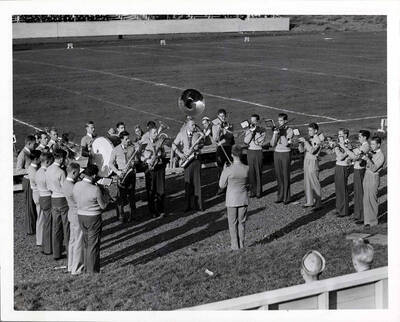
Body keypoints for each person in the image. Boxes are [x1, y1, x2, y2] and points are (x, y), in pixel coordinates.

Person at [73, 164, 110, 273]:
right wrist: (106, 195)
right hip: (93, 217)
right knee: (93, 245)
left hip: (81, 215)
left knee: (86, 243)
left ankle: (86, 267)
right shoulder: (95, 189)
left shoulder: (76, 185)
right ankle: (92, 271)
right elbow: (103, 206)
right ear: (93, 175)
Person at [219, 145, 249, 250]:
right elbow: (250, 183)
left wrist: (224, 171)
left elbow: (221, 185)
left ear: (232, 155)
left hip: (231, 200)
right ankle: (242, 244)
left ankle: (235, 246)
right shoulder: (246, 168)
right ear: (241, 155)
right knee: (242, 222)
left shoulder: (228, 170)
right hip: (243, 198)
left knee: (232, 223)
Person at [173, 119, 204, 212]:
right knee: (188, 184)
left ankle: (198, 205)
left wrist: (199, 146)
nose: (194, 127)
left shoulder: (197, 133)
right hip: (186, 161)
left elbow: (203, 143)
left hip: (196, 160)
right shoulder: (181, 134)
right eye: (192, 125)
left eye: (194, 125)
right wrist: (180, 154)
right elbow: (174, 145)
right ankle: (188, 206)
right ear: (187, 126)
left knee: (197, 183)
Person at [46, 148, 70, 260]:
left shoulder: (48, 169)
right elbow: (65, 188)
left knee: (56, 227)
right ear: (60, 159)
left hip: (53, 198)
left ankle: (56, 253)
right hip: (62, 199)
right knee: (66, 227)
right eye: (64, 158)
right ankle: (70, 252)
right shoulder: (61, 172)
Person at [342, 130, 370, 224]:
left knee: (360, 193)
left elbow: (355, 156)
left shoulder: (366, 146)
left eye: (360, 136)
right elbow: (355, 156)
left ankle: (362, 216)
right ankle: (357, 214)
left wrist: (347, 149)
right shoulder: (362, 145)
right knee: (357, 193)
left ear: (365, 137)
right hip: (357, 169)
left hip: (360, 170)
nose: (358, 138)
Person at [109, 131, 137, 222]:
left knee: (131, 196)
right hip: (121, 174)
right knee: (121, 197)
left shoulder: (132, 148)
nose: (128, 140)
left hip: (131, 174)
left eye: (128, 138)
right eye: (126, 139)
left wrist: (134, 163)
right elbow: (110, 164)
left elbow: (136, 160)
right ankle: (121, 216)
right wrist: (117, 172)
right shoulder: (116, 150)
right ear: (121, 140)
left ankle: (132, 215)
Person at [61, 162, 84, 275]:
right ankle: (77, 268)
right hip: (77, 214)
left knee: (73, 241)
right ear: (74, 172)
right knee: (79, 241)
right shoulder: (73, 186)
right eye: (78, 173)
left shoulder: (66, 183)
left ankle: (71, 265)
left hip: (71, 213)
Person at [142, 128, 167, 218]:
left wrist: (162, 154)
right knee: (151, 191)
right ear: (149, 134)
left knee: (161, 190)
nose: (156, 134)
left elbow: (164, 154)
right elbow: (140, 157)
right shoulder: (144, 143)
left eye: (156, 132)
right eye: (154, 133)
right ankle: (152, 211)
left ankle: (161, 210)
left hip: (159, 168)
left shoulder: (159, 142)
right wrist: (147, 160)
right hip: (150, 169)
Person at [270, 113, 294, 204]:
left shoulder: (290, 130)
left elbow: (286, 144)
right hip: (277, 153)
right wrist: (275, 134)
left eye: (280, 121)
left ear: (285, 121)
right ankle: (280, 196)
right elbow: (272, 144)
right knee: (279, 176)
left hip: (285, 154)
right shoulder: (278, 130)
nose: (279, 123)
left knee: (285, 175)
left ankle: (287, 197)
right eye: (278, 120)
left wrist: (282, 134)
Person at [298, 123, 322, 210]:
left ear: (315, 131)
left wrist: (305, 142)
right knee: (307, 181)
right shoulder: (309, 139)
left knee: (315, 182)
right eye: (308, 130)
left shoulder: (318, 140)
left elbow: (312, 151)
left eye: (310, 130)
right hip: (306, 160)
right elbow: (301, 150)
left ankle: (318, 203)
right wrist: (300, 143)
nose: (309, 132)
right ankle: (309, 201)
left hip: (313, 161)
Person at [362, 136, 385, 227]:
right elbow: (365, 165)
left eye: (373, 144)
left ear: (378, 145)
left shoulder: (381, 156)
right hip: (367, 175)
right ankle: (367, 220)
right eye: (370, 144)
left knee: (372, 199)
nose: (371, 146)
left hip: (373, 177)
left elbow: (374, 168)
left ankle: (373, 221)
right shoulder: (371, 152)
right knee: (366, 199)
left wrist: (367, 159)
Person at [17, 135, 37, 235]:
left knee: (32, 205)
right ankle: (30, 229)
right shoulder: (22, 154)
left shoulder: (29, 152)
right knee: (29, 205)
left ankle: (33, 226)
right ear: (29, 143)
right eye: (34, 144)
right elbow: (18, 170)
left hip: (31, 180)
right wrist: (30, 170)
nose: (35, 145)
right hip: (27, 181)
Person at [35, 152, 54, 255]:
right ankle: (48, 247)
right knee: (49, 224)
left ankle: (45, 245)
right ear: (47, 162)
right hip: (47, 197)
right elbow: (51, 188)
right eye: (50, 162)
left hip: (42, 197)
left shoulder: (38, 172)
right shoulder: (46, 174)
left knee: (45, 223)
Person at [244, 114, 266, 198]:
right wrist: (251, 132)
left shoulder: (262, 130)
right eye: (251, 120)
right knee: (251, 172)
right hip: (250, 151)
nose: (252, 122)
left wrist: (256, 132)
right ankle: (252, 191)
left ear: (257, 121)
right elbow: (246, 141)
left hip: (258, 152)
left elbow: (259, 142)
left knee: (258, 172)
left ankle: (258, 192)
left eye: (254, 121)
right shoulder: (249, 129)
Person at [27, 150, 43, 246]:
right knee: (40, 217)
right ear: (36, 159)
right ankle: (40, 240)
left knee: (41, 217)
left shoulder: (33, 168)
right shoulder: (33, 170)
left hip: (37, 193)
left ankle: (41, 239)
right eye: (40, 158)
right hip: (38, 193)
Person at [212, 109, 234, 177]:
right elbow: (215, 138)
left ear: (225, 116)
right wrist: (219, 128)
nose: (223, 118)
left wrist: (226, 129)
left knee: (229, 167)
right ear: (218, 116)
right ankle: (221, 185)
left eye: (224, 116)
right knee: (220, 168)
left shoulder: (229, 125)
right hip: (220, 149)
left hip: (228, 148)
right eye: (221, 116)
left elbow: (230, 137)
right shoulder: (215, 126)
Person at [334, 129, 351, 217]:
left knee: (343, 189)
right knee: (338, 188)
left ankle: (344, 210)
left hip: (343, 166)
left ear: (345, 135)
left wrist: (337, 148)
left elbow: (341, 157)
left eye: (340, 134)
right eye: (338, 134)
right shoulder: (340, 143)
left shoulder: (348, 144)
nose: (339, 136)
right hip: (338, 166)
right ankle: (339, 208)